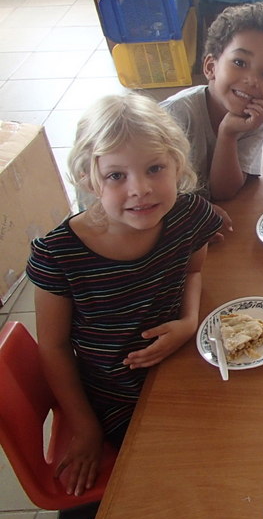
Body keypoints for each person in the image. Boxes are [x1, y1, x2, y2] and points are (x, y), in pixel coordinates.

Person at [26, 93, 223, 497]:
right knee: (192, 472)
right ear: (88, 179)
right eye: (117, 175)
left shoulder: (189, 215)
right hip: (119, 395)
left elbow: (194, 270)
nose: (141, 190)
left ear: (177, 165)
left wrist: (188, 322)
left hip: (183, 363)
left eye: (155, 168)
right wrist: (85, 427)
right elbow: (54, 347)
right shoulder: (58, 255)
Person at [160, 2, 263, 207]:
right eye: (240, 63)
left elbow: (223, 191)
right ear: (211, 67)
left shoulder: (256, 120)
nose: (252, 80)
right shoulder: (174, 115)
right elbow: (149, 189)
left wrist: (228, 133)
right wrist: (201, 212)